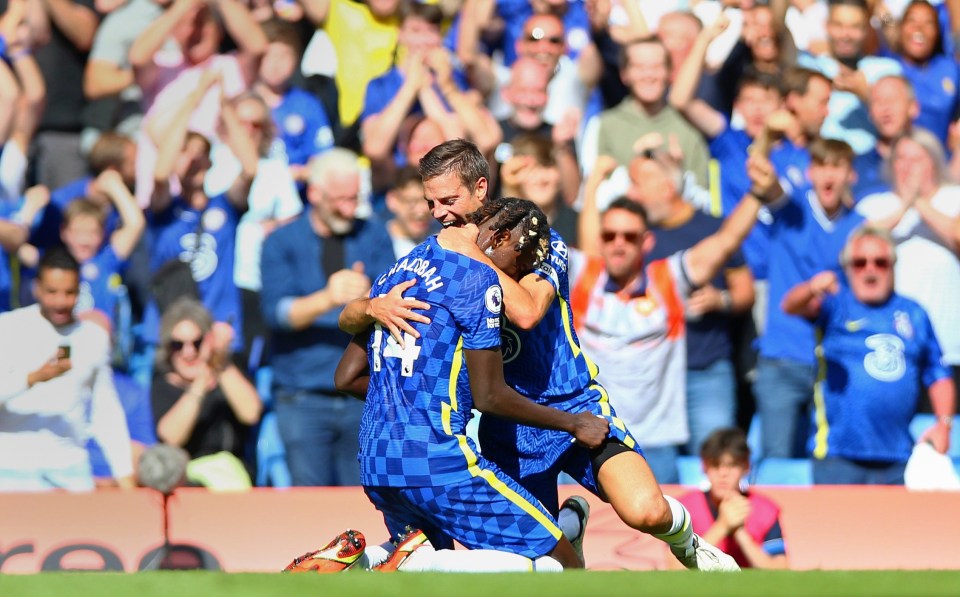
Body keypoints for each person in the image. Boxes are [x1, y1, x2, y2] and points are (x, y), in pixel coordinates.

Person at [340, 139, 739, 572]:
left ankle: (689, 544)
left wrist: (473, 255)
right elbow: (362, 343)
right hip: (508, 425)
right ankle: (567, 527)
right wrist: (368, 307)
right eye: (430, 202)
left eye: (448, 200)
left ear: (480, 189)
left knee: (646, 512)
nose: (438, 214)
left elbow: (528, 313)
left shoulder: (541, 241)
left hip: (570, 403)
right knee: (541, 568)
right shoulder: (441, 264)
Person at [297, 198, 607, 573]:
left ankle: (367, 559)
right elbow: (490, 395)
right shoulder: (479, 281)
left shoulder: (398, 273)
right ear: (501, 236)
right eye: (519, 260)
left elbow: (344, 377)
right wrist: (574, 423)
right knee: (561, 566)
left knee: (420, 568)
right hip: (437, 459)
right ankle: (418, 563)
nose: (516, 272)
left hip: (376, 460)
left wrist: (415, 392)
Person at [259, 148, 396, 487]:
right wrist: (328, 298)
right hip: (303, 396)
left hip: (363, 393)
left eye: (355, 198)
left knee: (368, 495)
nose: (349, 208)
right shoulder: (281, 241)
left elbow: (394, 300)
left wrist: (367, 301)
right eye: (340, 199)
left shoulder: (373, 235)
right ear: (314, 194)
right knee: (310, 503)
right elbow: (277, 314)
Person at [782, 227, 955, 484]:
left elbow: (938, 373)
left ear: (893, 267)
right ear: (849, 268)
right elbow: (790, 306)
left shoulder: (914, 313)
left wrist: (943, 424)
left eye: (880, 262)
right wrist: (811, 288)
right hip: (838, 455)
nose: (870, 270)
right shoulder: (836, 305)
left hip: (897, 457)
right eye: (860, 263)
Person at [754, 139, 865, 459]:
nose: (829, 176)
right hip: (782, 356)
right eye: (822, 166)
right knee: (776, 461)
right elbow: (768, 185)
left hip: (832, 364)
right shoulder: (791, 207)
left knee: (826, 460)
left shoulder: (858, 227)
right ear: (810, 172)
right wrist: (767, 143)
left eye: (838, 166)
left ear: (850, 175)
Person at [0, 248, 133, 491]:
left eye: (69, 293)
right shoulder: (8, 328)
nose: (60, 301)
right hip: (10, 467)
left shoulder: (93, 337)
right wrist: (32, 378)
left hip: (70, 470)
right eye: (52, 292)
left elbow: (106, 409)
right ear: (36, 288)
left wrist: (124, 473)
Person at [856, 129, 960, 411]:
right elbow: (858, 242)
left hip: (949, 347)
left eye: (916, 158)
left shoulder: (954, 198)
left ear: (934, 162)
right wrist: (903, 206)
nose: (907, 166)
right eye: (901, 158)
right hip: (888, 348)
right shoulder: (875, 204)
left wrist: (920, 203)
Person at [151, 298, 262, 482]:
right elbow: (171, 437)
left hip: (232, 478)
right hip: (186, 481)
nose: (188, 352)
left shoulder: (227, 372)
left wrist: (218, 362)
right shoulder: (162, 385)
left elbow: (250, 413)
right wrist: (201, 382)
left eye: (197, 342)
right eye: (178, 345)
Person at [675, 428, 788, 569]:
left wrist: (740, 533)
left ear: (746, 466)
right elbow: (674, 568)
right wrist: (722, 526)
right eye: (715, 465)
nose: (723, 473)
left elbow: (780, 571)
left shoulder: (765, 510)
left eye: (732, 465)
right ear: (704, 466)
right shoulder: (685, 509)